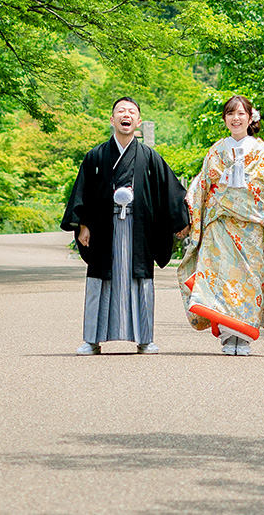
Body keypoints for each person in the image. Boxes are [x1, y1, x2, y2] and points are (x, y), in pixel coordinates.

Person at [61, 96, 190, 354]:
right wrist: (83, 224)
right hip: (103, 228)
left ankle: (145, 338)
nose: (126, 115)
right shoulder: (96, 156)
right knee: (100, 279)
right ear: (112, 119)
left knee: (140, 278)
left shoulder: (149, 157)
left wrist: (182, 220)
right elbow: (82, 193)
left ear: (138, 122)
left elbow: (171, 190)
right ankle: (91, 339)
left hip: (138, 228)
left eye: (131, 111)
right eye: (121, 111)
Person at [176, 94, 264, 355]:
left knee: (250, 281)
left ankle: (243, 336)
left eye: (241, 113)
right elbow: (201, 186)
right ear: (225, 119)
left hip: (252, 226)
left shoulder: (261, 151)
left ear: (250, 117)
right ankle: (227, 336)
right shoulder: (216, 150)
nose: (236, 118)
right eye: (230, 113)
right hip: (220, 226)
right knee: (221, 281)